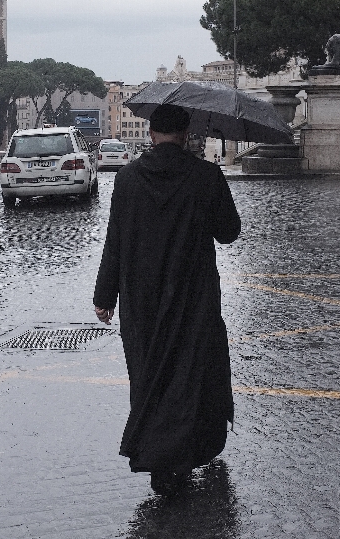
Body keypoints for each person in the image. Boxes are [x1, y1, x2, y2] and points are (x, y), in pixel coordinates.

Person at [92, 105, 241, 497]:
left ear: (152, 132)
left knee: (150, 376)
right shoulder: (205, 176)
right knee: (192, 374)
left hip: (142, 300)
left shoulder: (126, 180)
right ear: (186, 133)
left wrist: (104, 296)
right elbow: (229, 232)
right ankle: (188, 451)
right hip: (194, 296)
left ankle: (158, 457)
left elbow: (116, 242)